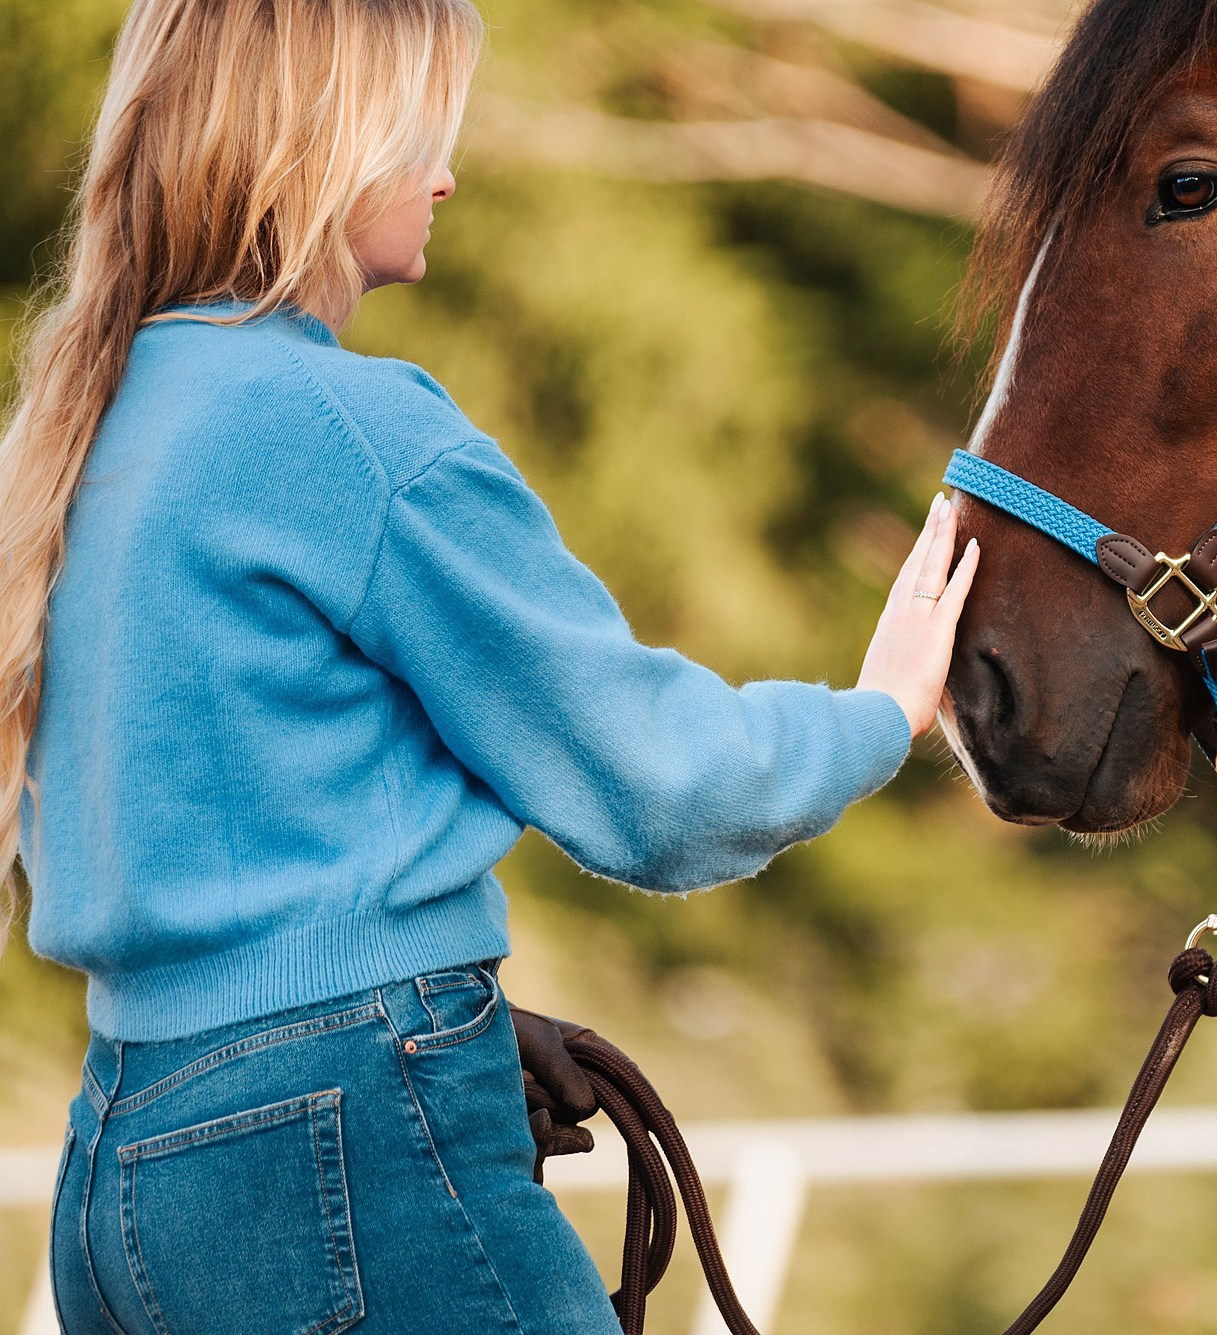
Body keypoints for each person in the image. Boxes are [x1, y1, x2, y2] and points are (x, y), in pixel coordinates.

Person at [0, 0, 977, 1329]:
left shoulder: (97, 423)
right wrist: (882, 714)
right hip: (334, 1139)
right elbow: (661, 787)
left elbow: (233, 853)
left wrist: (439, 1015)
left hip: (124, 1159)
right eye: (422, 135)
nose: (448, 174)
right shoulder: (349, 433)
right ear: (325, 148)